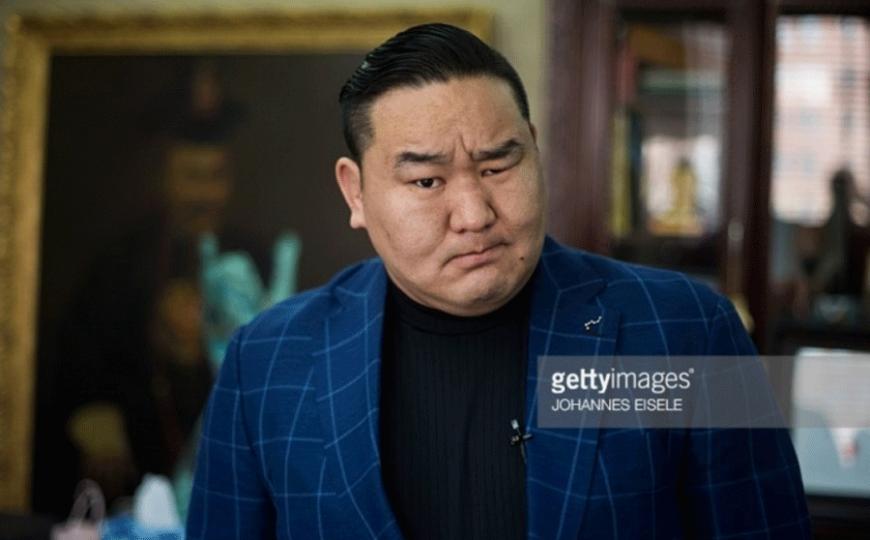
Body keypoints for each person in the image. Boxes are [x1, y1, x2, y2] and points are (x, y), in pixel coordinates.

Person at [187, 23, 811, 539]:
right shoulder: (267, 362)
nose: (474, 214)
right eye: (427, 181)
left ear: (533, 150)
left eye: (497, 166)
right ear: (356, 192)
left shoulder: (686, 330)